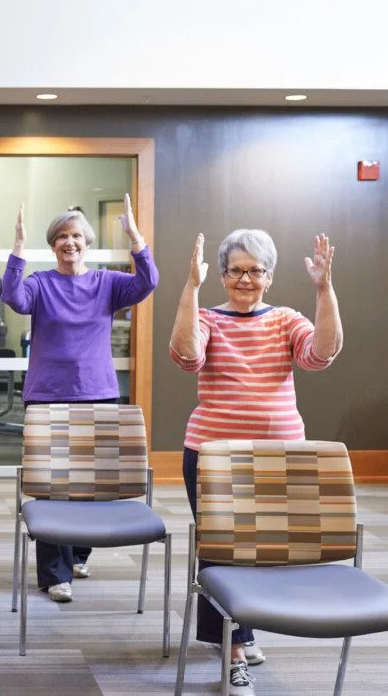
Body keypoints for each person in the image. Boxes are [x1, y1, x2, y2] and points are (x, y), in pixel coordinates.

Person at [169, 229, 342, 696]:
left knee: (264, 551)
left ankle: (238, 628)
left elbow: (321, 353)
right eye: (235, 270)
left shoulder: (286, 319)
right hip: (212, 455)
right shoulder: (207, 317)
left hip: (278, 456)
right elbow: (187, 354)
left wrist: (324, 289)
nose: (245, 279)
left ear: (270, 275)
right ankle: (235, 650)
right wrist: (190, 287)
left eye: (255, 270)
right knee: (222, 549)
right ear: (222, 275)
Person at [2, 195, 158, 603]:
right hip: (47, 396)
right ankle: (55, 573)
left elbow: (148, 283)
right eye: (61, 237)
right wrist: (17, 249)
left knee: (91, 483)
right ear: (53, 244)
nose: (69, 242)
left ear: (86, 243)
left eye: (76, 236)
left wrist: (136, 239)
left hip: (98, 393)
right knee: (51, 486)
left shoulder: (106, 283)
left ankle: (79, 551)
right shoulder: (40, 283)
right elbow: (13, 297)